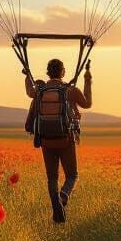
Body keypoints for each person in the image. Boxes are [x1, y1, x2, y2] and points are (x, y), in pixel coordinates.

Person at [23, 58, 92, 223]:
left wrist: (27, 75)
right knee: (72, 175)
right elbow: (87, 104)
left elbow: (28, 90)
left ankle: (55, 204)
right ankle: (63, 196)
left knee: (52, 177)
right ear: (63, 72)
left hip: (46, 140)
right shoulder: (71, 91)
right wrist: (87, 78)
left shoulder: (39, 91)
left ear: (48, 72)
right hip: (66, 139)